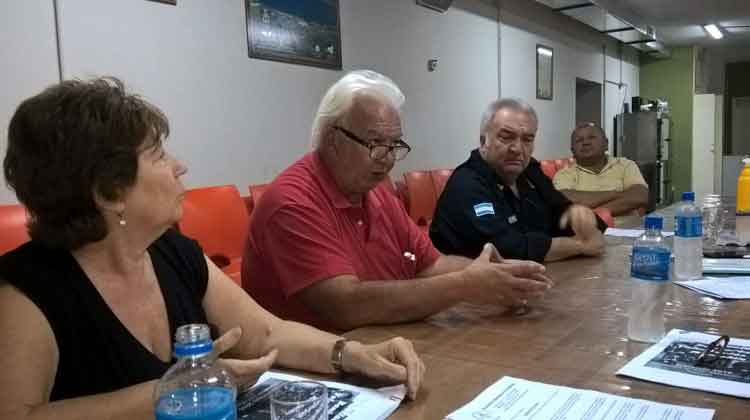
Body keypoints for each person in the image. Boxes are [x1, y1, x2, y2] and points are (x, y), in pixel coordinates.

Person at [0, 78, 426, 420]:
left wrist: (352, 354)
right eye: (158, 154)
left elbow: (267, 333)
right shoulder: (25, 292)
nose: (179, 165)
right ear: (109, 192)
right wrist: (171, 391)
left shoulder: (172, 250)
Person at [242, 70, 551, 332]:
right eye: (376, 144)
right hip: (309, 378)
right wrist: (467, 286)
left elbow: (432, 265)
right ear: (333, 140)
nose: (388, 160)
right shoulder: (292, 203)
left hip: (379, 347)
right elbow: (345, 307)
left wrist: (497, 275)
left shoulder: (375, 191)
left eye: (394, 145)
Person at [430, 98, 607, 263]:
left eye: (527, 139)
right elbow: (506, 249)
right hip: (471, 291)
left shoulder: (529, 172)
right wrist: (580, 246)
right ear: (484, 141)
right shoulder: (467, 184)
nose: (517, 148)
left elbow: (561, 212)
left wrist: (579, 215)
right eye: (506, 137)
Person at [553, 122, 649, 217]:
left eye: (592, 137)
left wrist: (595, 215)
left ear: (606, 144)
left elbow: (640, 196)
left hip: (627, 230)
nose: (585, 143)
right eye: (579, 140)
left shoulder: (625, 165)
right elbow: (565, 201)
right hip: (587, 230)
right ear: (572, 150)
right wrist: (617, 194)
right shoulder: (564, 174)